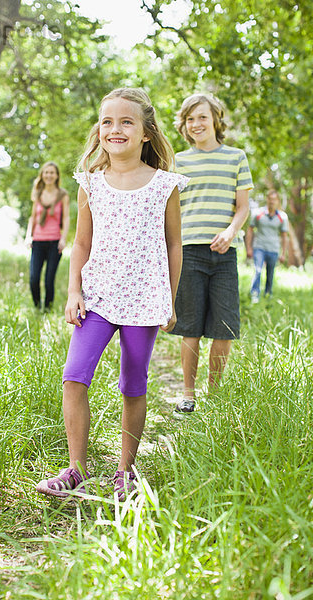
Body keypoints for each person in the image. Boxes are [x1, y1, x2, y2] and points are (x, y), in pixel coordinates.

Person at [35, 87, 189, 500]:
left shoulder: (164, 185)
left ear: (145, 133)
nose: (115, 128)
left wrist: (169, 299)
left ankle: (125, 470)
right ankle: (76, 470)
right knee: (73, 376)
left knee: (132, 385)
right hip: (98, 297)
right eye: (107, 121)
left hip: (143, 301)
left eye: (126, 121)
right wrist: (73, 291)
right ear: (99, 130)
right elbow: (81, 243)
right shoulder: (90, 183)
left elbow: (175, 244)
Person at [170, 93, 253, 414]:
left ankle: (214, 396)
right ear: (185, 125)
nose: (196, 124)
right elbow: (171, 212)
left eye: (202, 117)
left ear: (215, 119)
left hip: (224, 255)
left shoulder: (236, 157)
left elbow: (242, 207)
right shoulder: (179, 161)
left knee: (224, 328)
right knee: (189, 326)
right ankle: (188, 394)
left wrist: (231, 231)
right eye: (190, 119)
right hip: (188, 252)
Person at [26, 161, 70, 311]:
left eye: (52, 172)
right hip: (38, 241)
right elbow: (33, 217)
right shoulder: (37, 193)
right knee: (34, 278)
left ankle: (48, 309)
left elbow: (66, 218)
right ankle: (38, 307)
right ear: (42, 175)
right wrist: (28, 236)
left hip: (54, 242)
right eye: (46, 172)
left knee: (49, 280)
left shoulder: (62, 195)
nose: (49, 175)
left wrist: (63, 239)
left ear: (57, 175)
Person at [245, 189, 288, 302]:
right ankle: (255, 295)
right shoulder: (257, 214)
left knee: (270, 274)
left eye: (274, 199)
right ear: (267, 199)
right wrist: (248, 248)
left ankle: (268, 295)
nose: (271, 201)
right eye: (270, 199)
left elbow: (284, 236)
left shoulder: (282, 217)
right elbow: (250, 230)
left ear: (277, 201)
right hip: (259, 247)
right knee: (258, 270)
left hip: (273, 249)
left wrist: (283, 253)